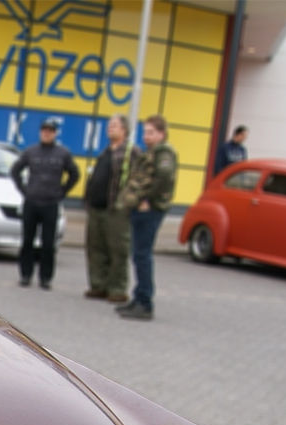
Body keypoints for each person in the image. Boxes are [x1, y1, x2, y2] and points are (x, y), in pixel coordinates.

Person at [116, 114, 178, 321]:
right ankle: (138, 297)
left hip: (150, 210)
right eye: (145, 132)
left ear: (162, 133)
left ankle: (145, 303)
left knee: (142, 256)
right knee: (138, 255)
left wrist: (148, 200)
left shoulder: (164, 153)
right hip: (141, 209)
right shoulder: (151, 152)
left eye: (151, 132)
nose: (146, 136)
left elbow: (164, 178)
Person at [10, 117, 80, 290]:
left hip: (50, 203)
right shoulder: (31, 152)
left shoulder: (62, 153)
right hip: (32, 201)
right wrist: (24, 190)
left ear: (55, 133)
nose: (47, 133)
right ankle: (25, 275)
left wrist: (62, 192)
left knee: (48, 243)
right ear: (41, 132)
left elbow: (74, 174)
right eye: (44, 130)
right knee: (27, 241)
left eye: (50, 131)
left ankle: (46, 278)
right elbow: (15, 170)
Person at [82, 114, 132, 303]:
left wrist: (127, 202)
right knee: (95, 249)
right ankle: (98, 286)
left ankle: (117, 289)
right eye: (109, 125)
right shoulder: (105, 152)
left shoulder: (129, 152)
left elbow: (135, 179)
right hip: (96, 208)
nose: (110, 128)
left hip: (115, 210)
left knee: (117, 249)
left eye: (115, 125)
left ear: (124, 130)